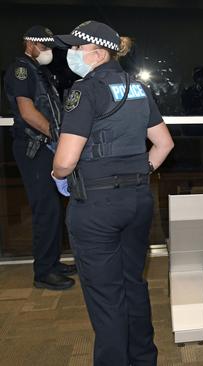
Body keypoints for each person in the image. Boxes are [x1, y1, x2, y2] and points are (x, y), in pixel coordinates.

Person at [51, 21, 174, 365]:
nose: (71, 54)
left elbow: (65, 160)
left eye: (77, 48)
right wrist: (140, 172)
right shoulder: (137, 87)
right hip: (137, 201)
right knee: (132, 284)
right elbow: (164, 144)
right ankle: (143, 358)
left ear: (98, 53)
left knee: (106, 297)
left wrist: (57, 172)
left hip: (97, 206)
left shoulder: (85, 91)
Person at [3, 25, 77, 290]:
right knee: (44, 209)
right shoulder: (21, 70)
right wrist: (56, 138)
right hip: (33, 148)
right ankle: (44, 272)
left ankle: (52, 262)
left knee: (53, 209)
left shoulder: (39, 70)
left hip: (45, 146)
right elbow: (27, 112)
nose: (47, 52)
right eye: (43, 47)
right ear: (29, 44)